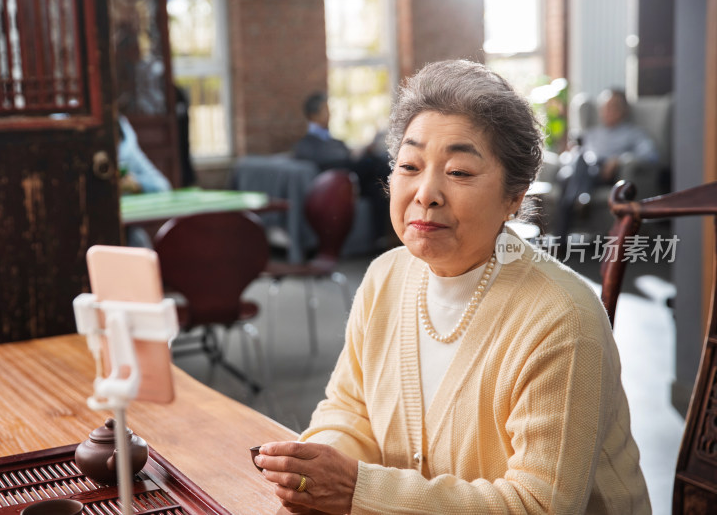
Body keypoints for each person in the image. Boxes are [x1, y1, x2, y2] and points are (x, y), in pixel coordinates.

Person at [253, 60, 650, 514]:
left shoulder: (562, 320)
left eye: (459, 172)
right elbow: (349, 408)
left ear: (514, 197)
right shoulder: (385, 276)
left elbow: (539, 505)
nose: (426, 193)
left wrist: (357, 490)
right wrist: (313, 470)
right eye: (409, 165)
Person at [553, 88, 659, 242]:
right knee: (577, 162)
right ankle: (582, 198)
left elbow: (651, 155)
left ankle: (559, 240)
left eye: (613, 106)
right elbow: (573, 157)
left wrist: (619, 160)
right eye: (605, 107)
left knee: (570, 179)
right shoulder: (591, 133)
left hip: (604, 173)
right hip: (581, 170)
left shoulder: (633, 133)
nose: (608, 111)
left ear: (624, 110)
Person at [294, 91, 393, 244]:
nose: (330, 115)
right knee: (377, 163)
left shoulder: (334, 140)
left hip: (354, 176)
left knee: (378, 186)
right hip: (337, 181)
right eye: (326, 110)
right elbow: (329, 162)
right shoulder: (306, 144)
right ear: (313, 115)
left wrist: (359, 153)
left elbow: (347, 156)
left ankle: (381, 237)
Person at [117, 114, 172, 247]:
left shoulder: (127, 153)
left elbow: (162, 187)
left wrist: (136, 184)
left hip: (126, 231)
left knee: (138, 240)